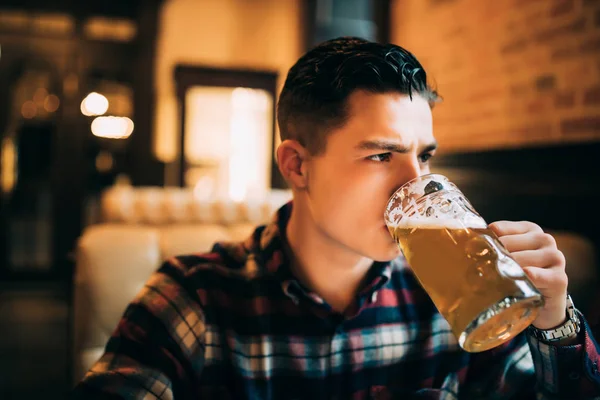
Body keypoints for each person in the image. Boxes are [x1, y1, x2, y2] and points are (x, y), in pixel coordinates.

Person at [73, 37, 600, 399]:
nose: (414, 184)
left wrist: (555, 322)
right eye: (379, 156)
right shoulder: (195, 300)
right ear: (297, 165)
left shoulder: (456, 296)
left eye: (425, 156)